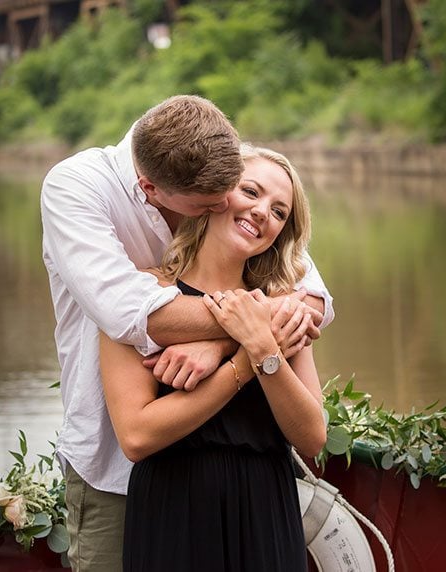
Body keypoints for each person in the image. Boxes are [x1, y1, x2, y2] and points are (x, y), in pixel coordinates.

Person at [40, 95, 334, 572]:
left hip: (262, 506)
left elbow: (309, 297)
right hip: (128, 479)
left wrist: (237, 335)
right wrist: (243, 346)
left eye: (277, 211)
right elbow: (132, 317)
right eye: (226, 197)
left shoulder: (207, 160)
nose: (235, 204)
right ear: (151, 189)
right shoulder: (79, 190)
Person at [99, 144, 325, 572]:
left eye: (279, 212)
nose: (262, 213)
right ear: (218, 194)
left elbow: (312, 437)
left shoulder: (279, 307)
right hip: (173, 508)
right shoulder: (143, 297)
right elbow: (136, 436)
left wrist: (265, 348)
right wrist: (243, 362)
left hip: (266, 508)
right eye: (251, 192)